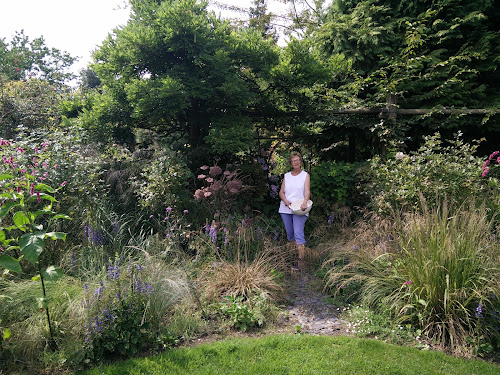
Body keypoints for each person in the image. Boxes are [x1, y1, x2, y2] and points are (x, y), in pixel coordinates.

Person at [279, 151, 311, 270]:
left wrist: (304, 202)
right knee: (290, 235)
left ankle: (301, 261)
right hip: (285, 209)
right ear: (291, 163)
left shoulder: (305, 175)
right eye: (294, 160)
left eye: (298, 160)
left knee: (298, 234)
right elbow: (281, 192)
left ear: (301, 162)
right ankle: (293, 258)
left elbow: (307, 191)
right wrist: (286, 201)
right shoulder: (287, 176)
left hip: (300, 209)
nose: (296, 162)